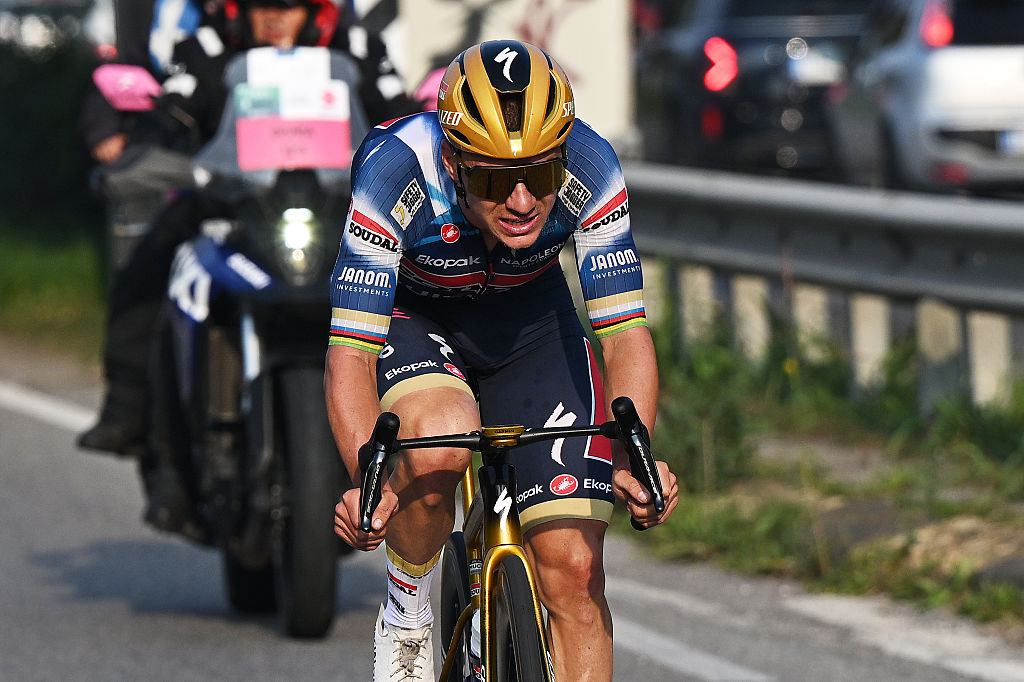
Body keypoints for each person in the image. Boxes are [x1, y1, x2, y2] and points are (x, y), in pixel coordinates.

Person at [327, 40, 680, 681]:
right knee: (439, 441)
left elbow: (624, 333)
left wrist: (634, 454)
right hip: (417, 316)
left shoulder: (592, 165)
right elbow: (350, 351)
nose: (521, 202)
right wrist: (366, 483)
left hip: (530, 322)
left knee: (576, 569)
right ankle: (408, 612)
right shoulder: (392, 171)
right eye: (493, 180)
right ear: (453, 162)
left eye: (541, 176)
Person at [77, 0, 421, 460]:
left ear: (316, 12)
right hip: (228, 206)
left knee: (422, 271)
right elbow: (167, 118)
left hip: (336, 209)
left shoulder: (356, 45)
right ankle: (129, 412)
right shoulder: (205, 46)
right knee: (151, 262)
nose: (274, 17)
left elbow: (404, 117)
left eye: (289, 6)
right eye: (261, 5)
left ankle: (426, 419)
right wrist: (140, 151)